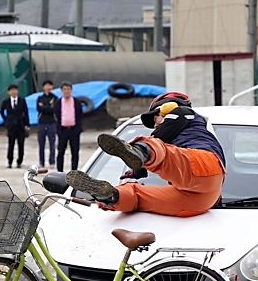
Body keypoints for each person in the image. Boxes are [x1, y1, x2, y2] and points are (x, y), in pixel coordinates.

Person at [65, 92, 226, 217]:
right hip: (200, 200)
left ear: (168, 108)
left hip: (206, 164)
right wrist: (136, 169)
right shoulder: (185, 130)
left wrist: (140, 156)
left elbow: (160, 137)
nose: (156, 123)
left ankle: (142, 151)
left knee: (161, 148)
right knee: (139, 196)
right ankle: (110, 196)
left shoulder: (184, 113)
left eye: (157, 116)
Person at [53, 81, 83, 172]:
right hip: (63, 130)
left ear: (71, 90)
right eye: (64, 89)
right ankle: (60, 171)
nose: (66, 91)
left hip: (74, 130)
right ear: (61, 91)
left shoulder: (76, 102)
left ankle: (74, 171)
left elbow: (80, 114)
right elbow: (56, 115)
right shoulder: (58, 102)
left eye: (68, 89)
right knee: (61, 152)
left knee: (75, 152)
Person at [0, 83, 30, 168]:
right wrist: (6, 120)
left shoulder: (22, 100)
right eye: (12, 90)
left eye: (15, 90)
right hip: (11, 126)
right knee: (11, 144)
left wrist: (27, 124)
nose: (14, 92)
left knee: (21, 144)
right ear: (9, 92)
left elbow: (26, 112)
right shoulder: (6, 101)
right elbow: (2, 111)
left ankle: (19, 161)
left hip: (21, 125)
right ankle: (10, 161)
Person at [36, 79, 57, 169]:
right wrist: (47, 107)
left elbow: (54, 109)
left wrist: (44, 107)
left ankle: (52, 161)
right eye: (46, 85)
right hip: (42, 123)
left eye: (50, 85)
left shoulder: (55, 98)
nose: (48, 87)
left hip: (52, 123)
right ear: (43, 87)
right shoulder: (40, 98)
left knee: (52, 143)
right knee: (41, 143)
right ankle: (41, 162)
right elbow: (39, 109)